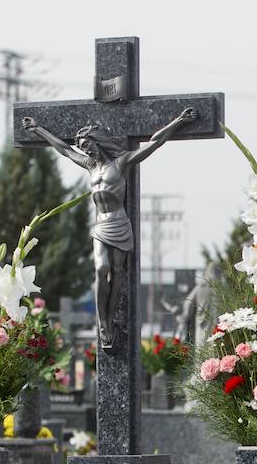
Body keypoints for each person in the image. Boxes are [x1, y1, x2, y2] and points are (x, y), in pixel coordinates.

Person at [20, 108, 197, 351]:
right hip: (101, 225)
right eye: (83, 147)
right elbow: (64, 149)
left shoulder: (121, 163)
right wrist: (37, 129)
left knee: (117, 274)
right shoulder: (89, 165)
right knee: (101, 268)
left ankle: (109, 321)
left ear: (97, 142)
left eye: (88, 145)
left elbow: (154, 143)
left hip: (120, 223)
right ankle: (102, 322)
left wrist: (178, 121)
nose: (86, 150)